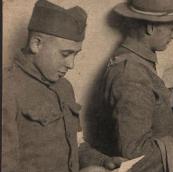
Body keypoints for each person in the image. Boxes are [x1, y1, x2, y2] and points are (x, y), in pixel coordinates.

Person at [87, 0, 173, 171]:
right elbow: (135, 155)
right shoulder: (130, 74)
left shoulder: (137, 62)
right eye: (172, 29)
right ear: (150, 27)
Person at [2, 1, 121, 171]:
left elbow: (76, 144)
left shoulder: (64, 87)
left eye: (75, 54)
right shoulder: (7, 89)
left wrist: (103, 161)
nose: (71, 64)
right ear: (36, 43)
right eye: (65, 54)